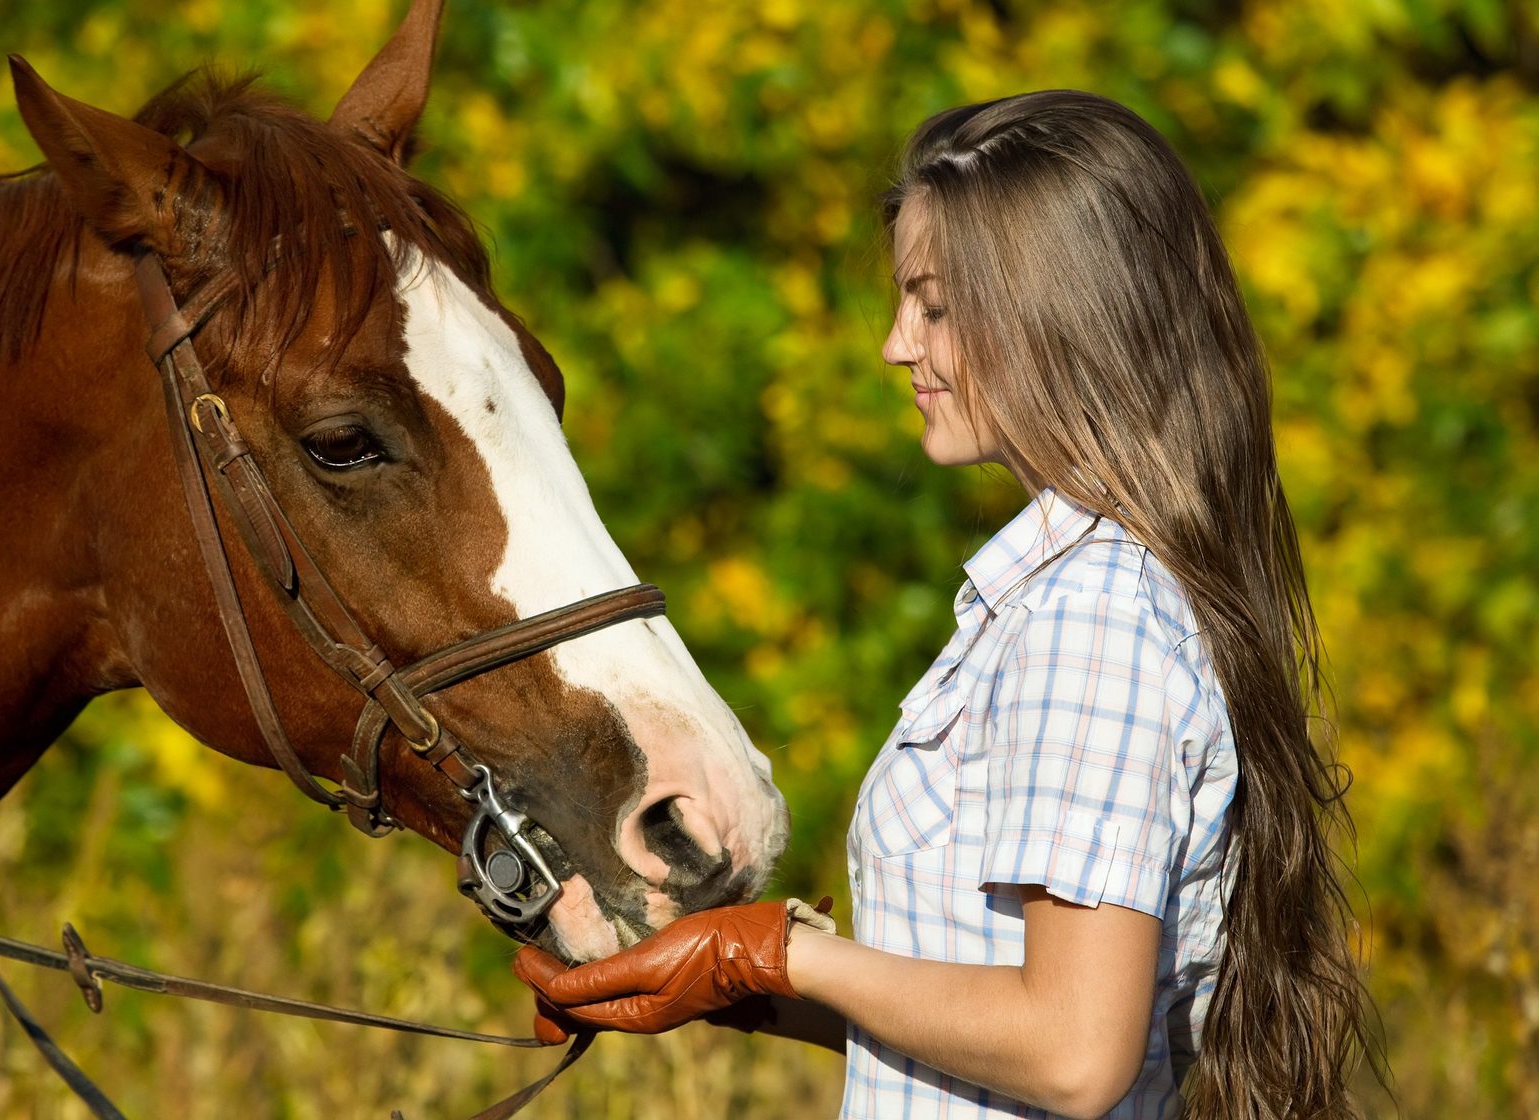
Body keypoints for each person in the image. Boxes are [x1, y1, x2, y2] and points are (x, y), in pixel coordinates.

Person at [516, 90, 1379, 1119]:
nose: (895, 343)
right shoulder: (1061, 601)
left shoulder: (1088, 617)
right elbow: (985, 1013)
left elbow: (1073, 1050)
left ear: (1054, 309)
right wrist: (732, 978)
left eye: (932, 304)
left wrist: (780, 952)